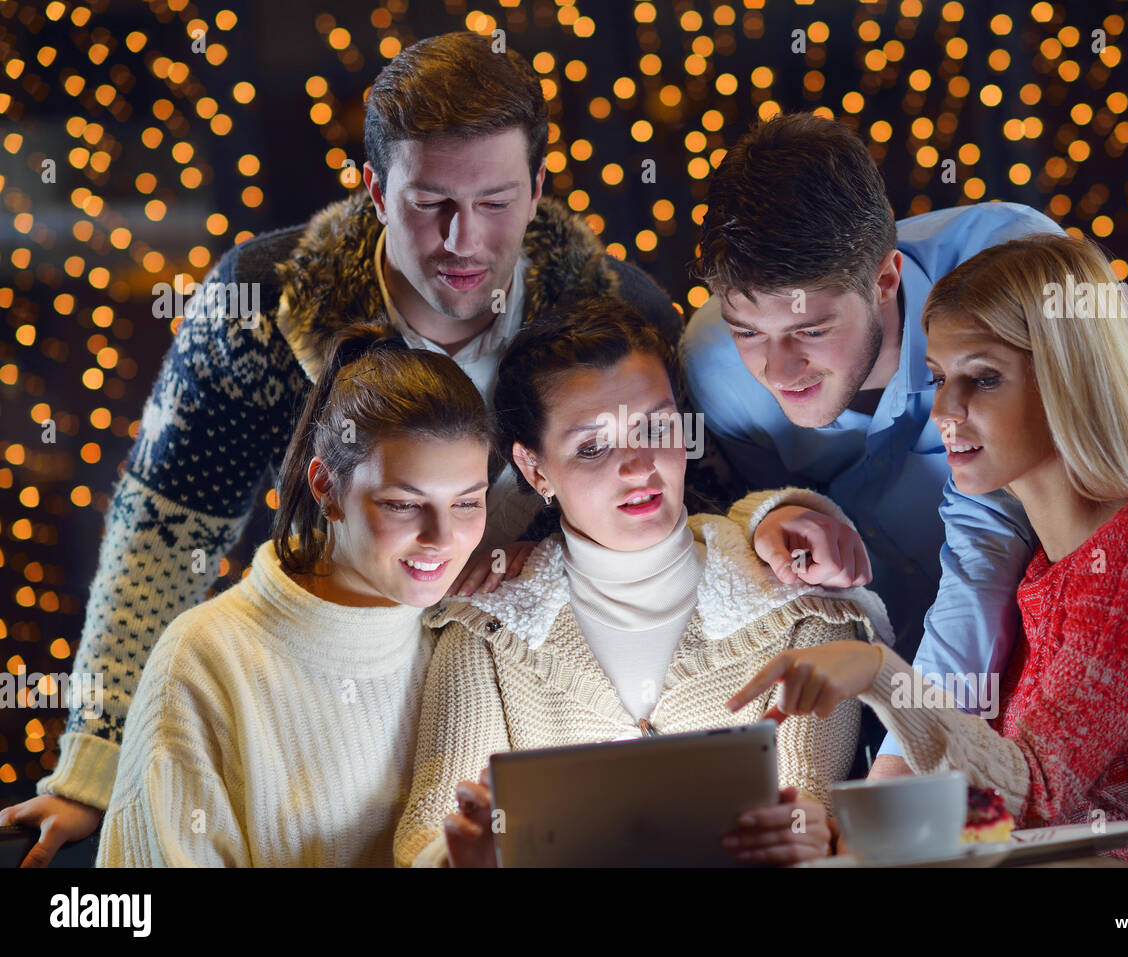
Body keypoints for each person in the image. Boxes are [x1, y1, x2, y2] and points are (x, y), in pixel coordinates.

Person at [4, 34, 859, 864]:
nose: (463, 240)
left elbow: (687, 484)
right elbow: (164, 523)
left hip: (508, 695)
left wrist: (774, 512)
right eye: (431, 204)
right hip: (333, 693)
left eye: (494, 203)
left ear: (536, 190)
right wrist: (96, 763)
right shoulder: (260, 300)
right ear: (376, 190)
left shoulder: (612, 300)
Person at [727, 234, 1128, 867]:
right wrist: (840, 837)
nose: (944, 408)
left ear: (1068, 380)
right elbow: (994, 817)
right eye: (940, 378)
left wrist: (877, 671)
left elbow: (1030, 796)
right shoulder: (1042, 574)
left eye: (983, 378)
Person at [393, 299, 894, 868]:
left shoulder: (801, 610)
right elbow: (426, 834)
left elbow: (818, 806)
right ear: (535, 471)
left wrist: (816, 837)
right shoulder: (486, 632)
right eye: (591, 448)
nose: (638, 466)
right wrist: (462, 860)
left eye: (657, 426)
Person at [683, 113, 1073, 780]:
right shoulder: (714, 365)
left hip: (1056, 666)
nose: (778, 370)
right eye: (749, 330)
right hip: (861, 682)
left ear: (885, 280)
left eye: (810, 329)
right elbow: (749, 527)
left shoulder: (1016, 269)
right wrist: (773, 517)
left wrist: (896, 780)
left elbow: (988, 558)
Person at [95, 326, 496, 865]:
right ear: (326, 488)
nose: (443, 539)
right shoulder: (206, 659)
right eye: (403, 505)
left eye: (468, 504)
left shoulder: (476, 631)